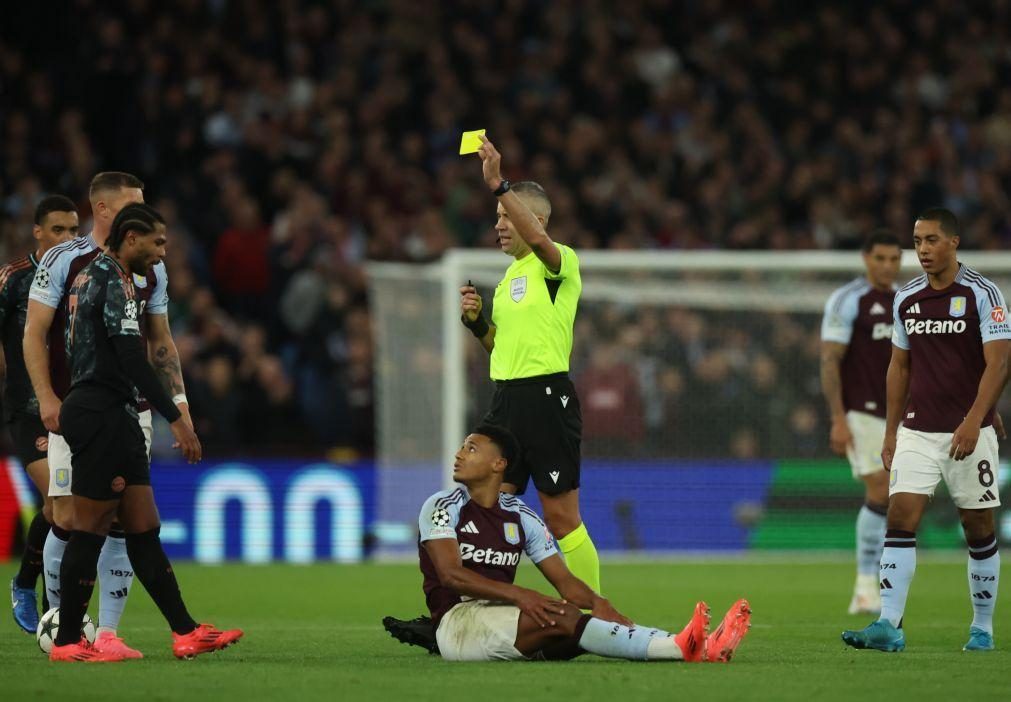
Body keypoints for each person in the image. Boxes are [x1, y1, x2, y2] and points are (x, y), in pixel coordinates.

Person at [386, 136, 599, 653]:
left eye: (508, 216)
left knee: (561, 516)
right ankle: (466, 617)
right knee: (491, 508)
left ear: (537, 221)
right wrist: (478, 322)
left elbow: (539, 242)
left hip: (546, 397)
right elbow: (502, 349)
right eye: (498, 217)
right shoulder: (508, 283)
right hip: (506, 399)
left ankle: (590, 619)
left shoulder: (558, 264)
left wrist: (500, 184)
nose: (499, 225)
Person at [49, 203, 242, 662]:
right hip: (100, 411)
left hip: (112, 410)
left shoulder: (98, 276)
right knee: (91, 527)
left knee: (143, 526)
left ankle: (186, 632)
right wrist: (175, 417)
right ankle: (69, 642)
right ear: (131, 237)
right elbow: (134, 357)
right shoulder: (111, 277)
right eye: (157, 243)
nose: (162, 253)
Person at [400, 423, 750, 663]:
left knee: (576, 628)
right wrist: (524, 595)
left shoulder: (521, 516)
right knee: (564, 617)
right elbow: (451, 575)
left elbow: (564, 581)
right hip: (457, 622)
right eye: (462, 447)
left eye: (471, 448)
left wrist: (599, 602)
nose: (460, 454)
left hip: (498, 616)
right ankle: (681, 647)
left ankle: (690, 644)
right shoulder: (443, 505)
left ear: (498, 464)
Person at [25, 171, 190, 657]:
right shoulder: (64, 259)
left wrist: (179, 404)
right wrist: (46, 399)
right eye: (132, 206)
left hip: (130, 407)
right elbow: (35, 333)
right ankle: (65, 627)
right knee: (67, 514)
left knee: (125, 519)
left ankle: (108, 633)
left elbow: (159, 343)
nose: (141, 215)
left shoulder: (149, 270)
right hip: (78, 404)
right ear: (103, 210)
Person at [843, 208, 1010, 653]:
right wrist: (892, 432)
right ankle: (888, 624)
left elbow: (1000, 362)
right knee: (900, 516)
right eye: (917, 242)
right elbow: (899, 366)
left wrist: (976, 418)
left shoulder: (983, 292)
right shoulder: (907, 298)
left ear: (953, 242)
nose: (922, 250)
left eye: (932, 240)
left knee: (977, 527)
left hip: (968, 432)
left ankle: (982, 627)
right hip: (918, 430)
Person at [819, 230, 902, 615]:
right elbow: (830, 360)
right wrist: (838, 417)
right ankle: (865, 584)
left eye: (894, 259)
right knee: (881, 487)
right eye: (880, 258)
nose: (887, 266)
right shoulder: (848, 300)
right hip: (864, 411)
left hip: (906, 412)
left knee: (902, 497)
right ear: (866, 259)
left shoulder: (907, 299)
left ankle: (885, 581)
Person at [6, 195, 77, 632]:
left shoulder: (85, 277)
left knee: (64, 511)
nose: (67, 239)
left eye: (73, 231)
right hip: (29, 408)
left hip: (75, 411)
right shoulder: (12, 281)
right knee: (56, 500)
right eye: (58, 231)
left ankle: (31, 584)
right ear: (37, 232)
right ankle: (39, 594)